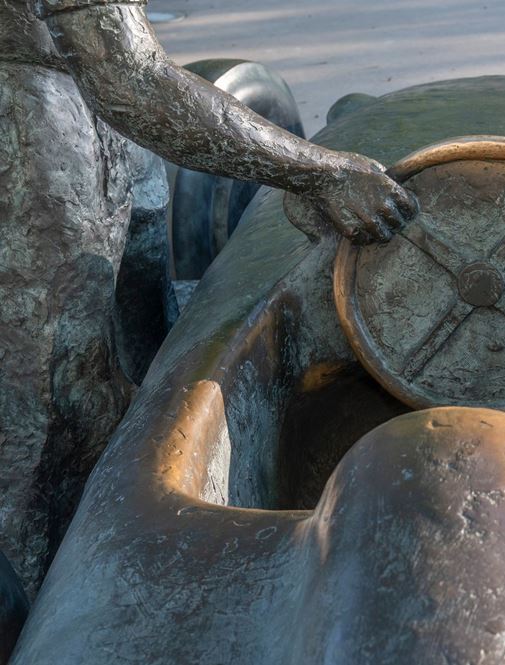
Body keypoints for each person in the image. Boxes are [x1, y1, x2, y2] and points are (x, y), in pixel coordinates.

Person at [0, 0, 416, 598]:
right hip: (36, 132)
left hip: (84, 118)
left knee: (139, 377)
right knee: (50, 428)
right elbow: (133, 80)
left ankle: (112, 583)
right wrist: (317, 172)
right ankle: (50, 617)